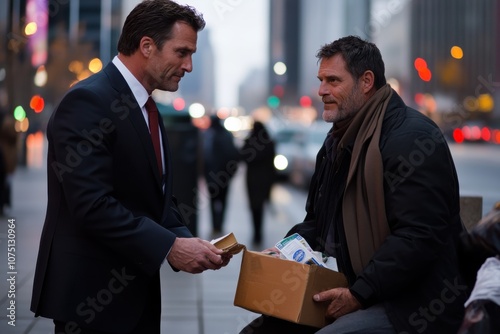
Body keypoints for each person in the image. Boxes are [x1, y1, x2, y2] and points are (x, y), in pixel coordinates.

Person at [240, 35, 467, 334]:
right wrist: (284, 250)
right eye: (321, 80)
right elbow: (320, 223)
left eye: (333, 80)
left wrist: (359, 294)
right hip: (355, 284)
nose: (322, 90)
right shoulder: (337, 140)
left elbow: (419, 237)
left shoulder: (412, 138)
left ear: (366, 81)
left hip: (412, 304)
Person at [31, 1, 231, 333]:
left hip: (137, 294)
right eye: (181, 52)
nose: (189, 66)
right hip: (90, 300)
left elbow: (152, 200)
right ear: (147, 47)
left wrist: (192, 244)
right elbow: (92, 205)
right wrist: (170, 247)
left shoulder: (146, 106)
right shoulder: (87, 102)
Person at [202, 115, 240, 238]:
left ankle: (215, 226)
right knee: (223, 202)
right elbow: (234, 155)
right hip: (224, 177)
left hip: (212, 177)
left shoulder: (209, 135)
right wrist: (230, 174)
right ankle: (219, 225)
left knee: (213, 202)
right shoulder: (227, 135)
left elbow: (205, 157)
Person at [240, 120, 276, 245]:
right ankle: (258, 233)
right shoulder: (269, 142)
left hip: (252, 179)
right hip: (265, 179)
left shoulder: (250, 141)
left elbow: (242, 156)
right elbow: (272, 163)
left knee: (254, 207)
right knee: (260, 207)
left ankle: (256, 233)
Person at [0, 110, 18, 215]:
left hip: (5, 157)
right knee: (5, 182)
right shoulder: (9, 123)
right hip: (6, 157)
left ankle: (3, 203)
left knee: (4, 182)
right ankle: (4, 203)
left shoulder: (6, 124)